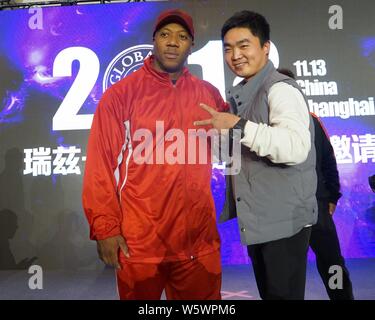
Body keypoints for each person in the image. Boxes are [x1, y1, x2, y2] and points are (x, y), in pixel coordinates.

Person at [82, 9, 227, 300]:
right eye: (165, 35)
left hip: (197, 244)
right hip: (141, 243)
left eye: (182, 36)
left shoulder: (209, 94)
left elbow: (231, 151)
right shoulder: (121, 95)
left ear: (191, 46)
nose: (173, 42)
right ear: (154, 41)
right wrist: (105, 228)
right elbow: (100, 167)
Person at [194, 10, 317, 300]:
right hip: (261, 220)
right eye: (228, 48)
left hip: (283, 222)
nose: (235, 55)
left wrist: (237, 125)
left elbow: (294, 148)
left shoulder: (280, 90)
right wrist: (219, 136)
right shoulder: (242, 95)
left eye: (244, 45)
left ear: (265, 48)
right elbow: (237, 154)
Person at [278, 68, 354, 300]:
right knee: (286, 272)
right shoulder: (265, 125)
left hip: (316, 206)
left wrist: (332, 196)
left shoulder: (312, 120)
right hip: (281, 210)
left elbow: (328, 159)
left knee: (332, 263)